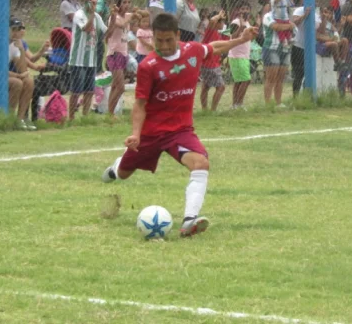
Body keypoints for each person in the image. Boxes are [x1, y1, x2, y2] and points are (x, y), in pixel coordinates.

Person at [100, 13, 258, 238]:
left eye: (168, 40)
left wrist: (240, 40)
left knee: (201, 164)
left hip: (180, 131)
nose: (163, 46)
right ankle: (116, 166)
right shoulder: (148, 66)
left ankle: (189, 221)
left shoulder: (191, 51)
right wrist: (135, 134)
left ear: (177, 35)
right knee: (124, 173)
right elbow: (140, 104)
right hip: (151, 133)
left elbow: (213, 47)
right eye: (159, 41)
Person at [68, 0, 107, 121]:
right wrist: (91, 14)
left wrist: (113, 18)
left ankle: (85, 117)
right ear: (84, 0)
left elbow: (107, 32)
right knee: (76, 91)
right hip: (78, 60)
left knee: (89, 91)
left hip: (91, 59)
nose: (91, 1)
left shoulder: (97, 17)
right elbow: (86, 28)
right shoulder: (79, 14)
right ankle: (71, 117)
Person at [104, 0, 133, 116]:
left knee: (115, 86)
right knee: (121, 87)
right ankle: (111, 113)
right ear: (119, 4)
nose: (126, 5)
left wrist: (138, 13)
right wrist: (132, 16)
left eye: (128, 2)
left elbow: (143, 14)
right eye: (124, 2)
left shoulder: (127, 16)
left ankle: (109, 114)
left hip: (124, 53)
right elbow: (120, 25)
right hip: (115, 54)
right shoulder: (114, 17)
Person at [262, 5, 295, 107]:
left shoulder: (286, 18)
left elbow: (294, 29)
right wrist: (289, 26)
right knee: (271, 77)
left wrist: (290, 26)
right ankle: (268, 104)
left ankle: (278, 102)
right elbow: (276, 27)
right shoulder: (268, 16)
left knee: (280, 78)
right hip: (272, 48)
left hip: (285, 49)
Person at [199, 10, 228, 111]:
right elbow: (211, 21)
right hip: (210, 65)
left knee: (205, 87)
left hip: (211, 64)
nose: (223, 24)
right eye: (222, 22)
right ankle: (213, 110)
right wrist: (218, 16)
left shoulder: (217, 33)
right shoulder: (210, 31)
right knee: (221, 87)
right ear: (217, 22)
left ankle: (205, 109)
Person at [228, 1, 253, 109]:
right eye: (243, 9)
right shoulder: (235, 22)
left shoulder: (248, 23)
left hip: (245, 55)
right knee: (246, 80)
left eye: (247, 9)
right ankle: (238, 104)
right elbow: (232, 37)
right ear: (239, 11)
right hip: (236, 55)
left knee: (239, 81)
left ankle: (236, 104)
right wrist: (241, 27)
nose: (245, 11)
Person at [290, 0, 313, 96]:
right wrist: (305, 15)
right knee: (298, 74)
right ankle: (295, 98)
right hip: (298, 47)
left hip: (310, 48)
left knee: (308, 74)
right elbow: (294, 23)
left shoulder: (316, 13)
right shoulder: (299, 10)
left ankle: (306, 97)